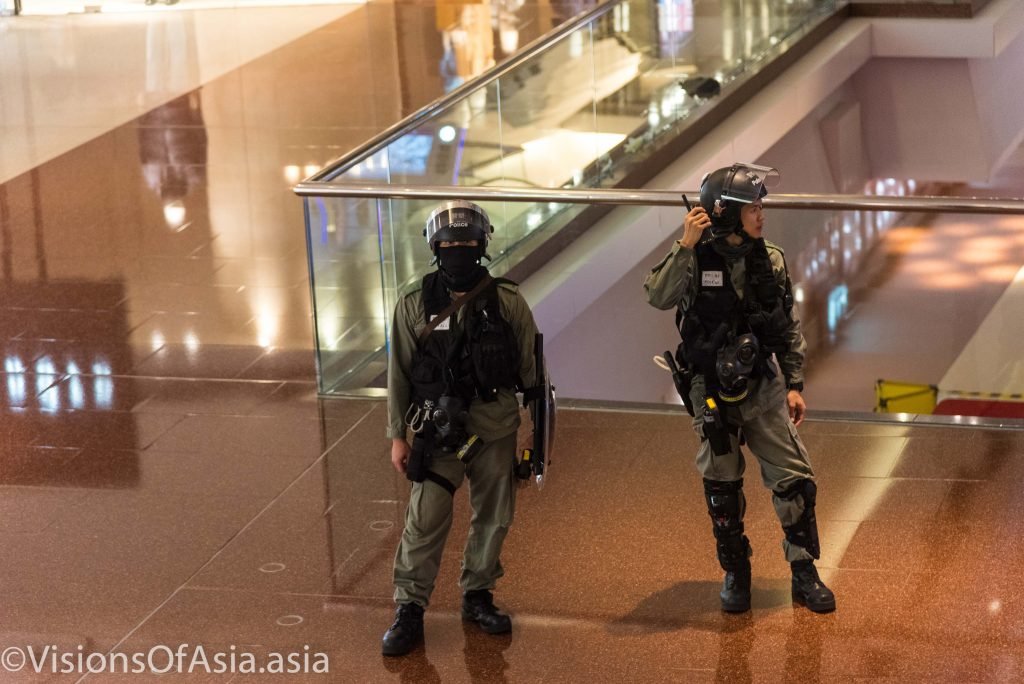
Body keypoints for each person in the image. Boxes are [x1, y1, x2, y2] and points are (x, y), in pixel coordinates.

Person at [643, 163, 835, 614]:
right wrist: (685, 244)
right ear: (725, 212)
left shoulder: (768, 258)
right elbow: (657, 295)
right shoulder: (692, 258)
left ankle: (804, 573)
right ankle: (736, 573)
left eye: (761, 205)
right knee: (722, 488)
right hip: (708, 388)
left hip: (762, 385)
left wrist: (794, 383)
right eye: (753, 206)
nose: (761, 213)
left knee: (794, 482)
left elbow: (787, 325)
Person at [382, 200, 542, 656]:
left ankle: (477, 595)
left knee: (493, 516)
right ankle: (409, 608)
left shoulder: (507, 301)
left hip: (495, 428)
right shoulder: (414, 304)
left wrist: (535, 434)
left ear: (482, 246)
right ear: (435, 247)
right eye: (449, 244)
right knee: (425, 519)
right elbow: (399, 374)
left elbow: (532, 372)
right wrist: (398, 436)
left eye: (467, 244)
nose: (458, 250)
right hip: (436, 434)